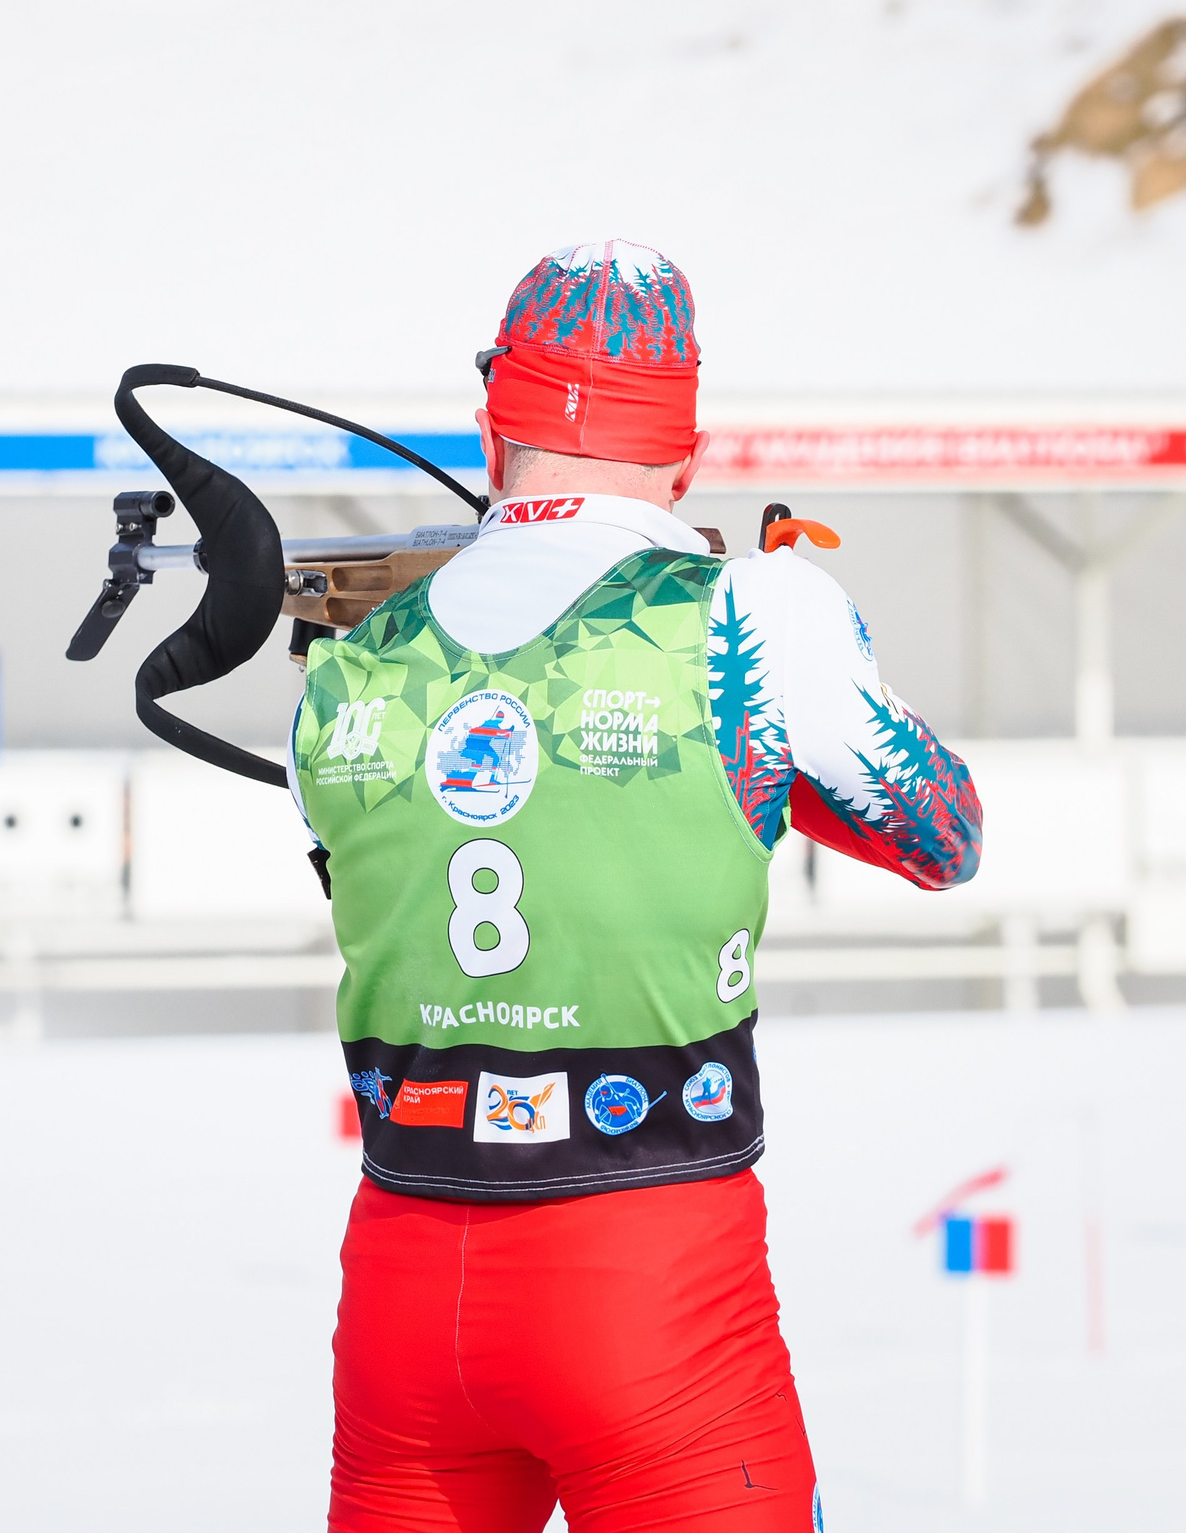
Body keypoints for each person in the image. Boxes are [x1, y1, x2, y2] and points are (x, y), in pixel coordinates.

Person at [290, 240, 982, 1533]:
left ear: (492, 429)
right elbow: (940, 833)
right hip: (651, 1268)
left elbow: (368, 863)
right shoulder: (753, 609)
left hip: (401, 1276)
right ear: (689, 447)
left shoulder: (348, 664)